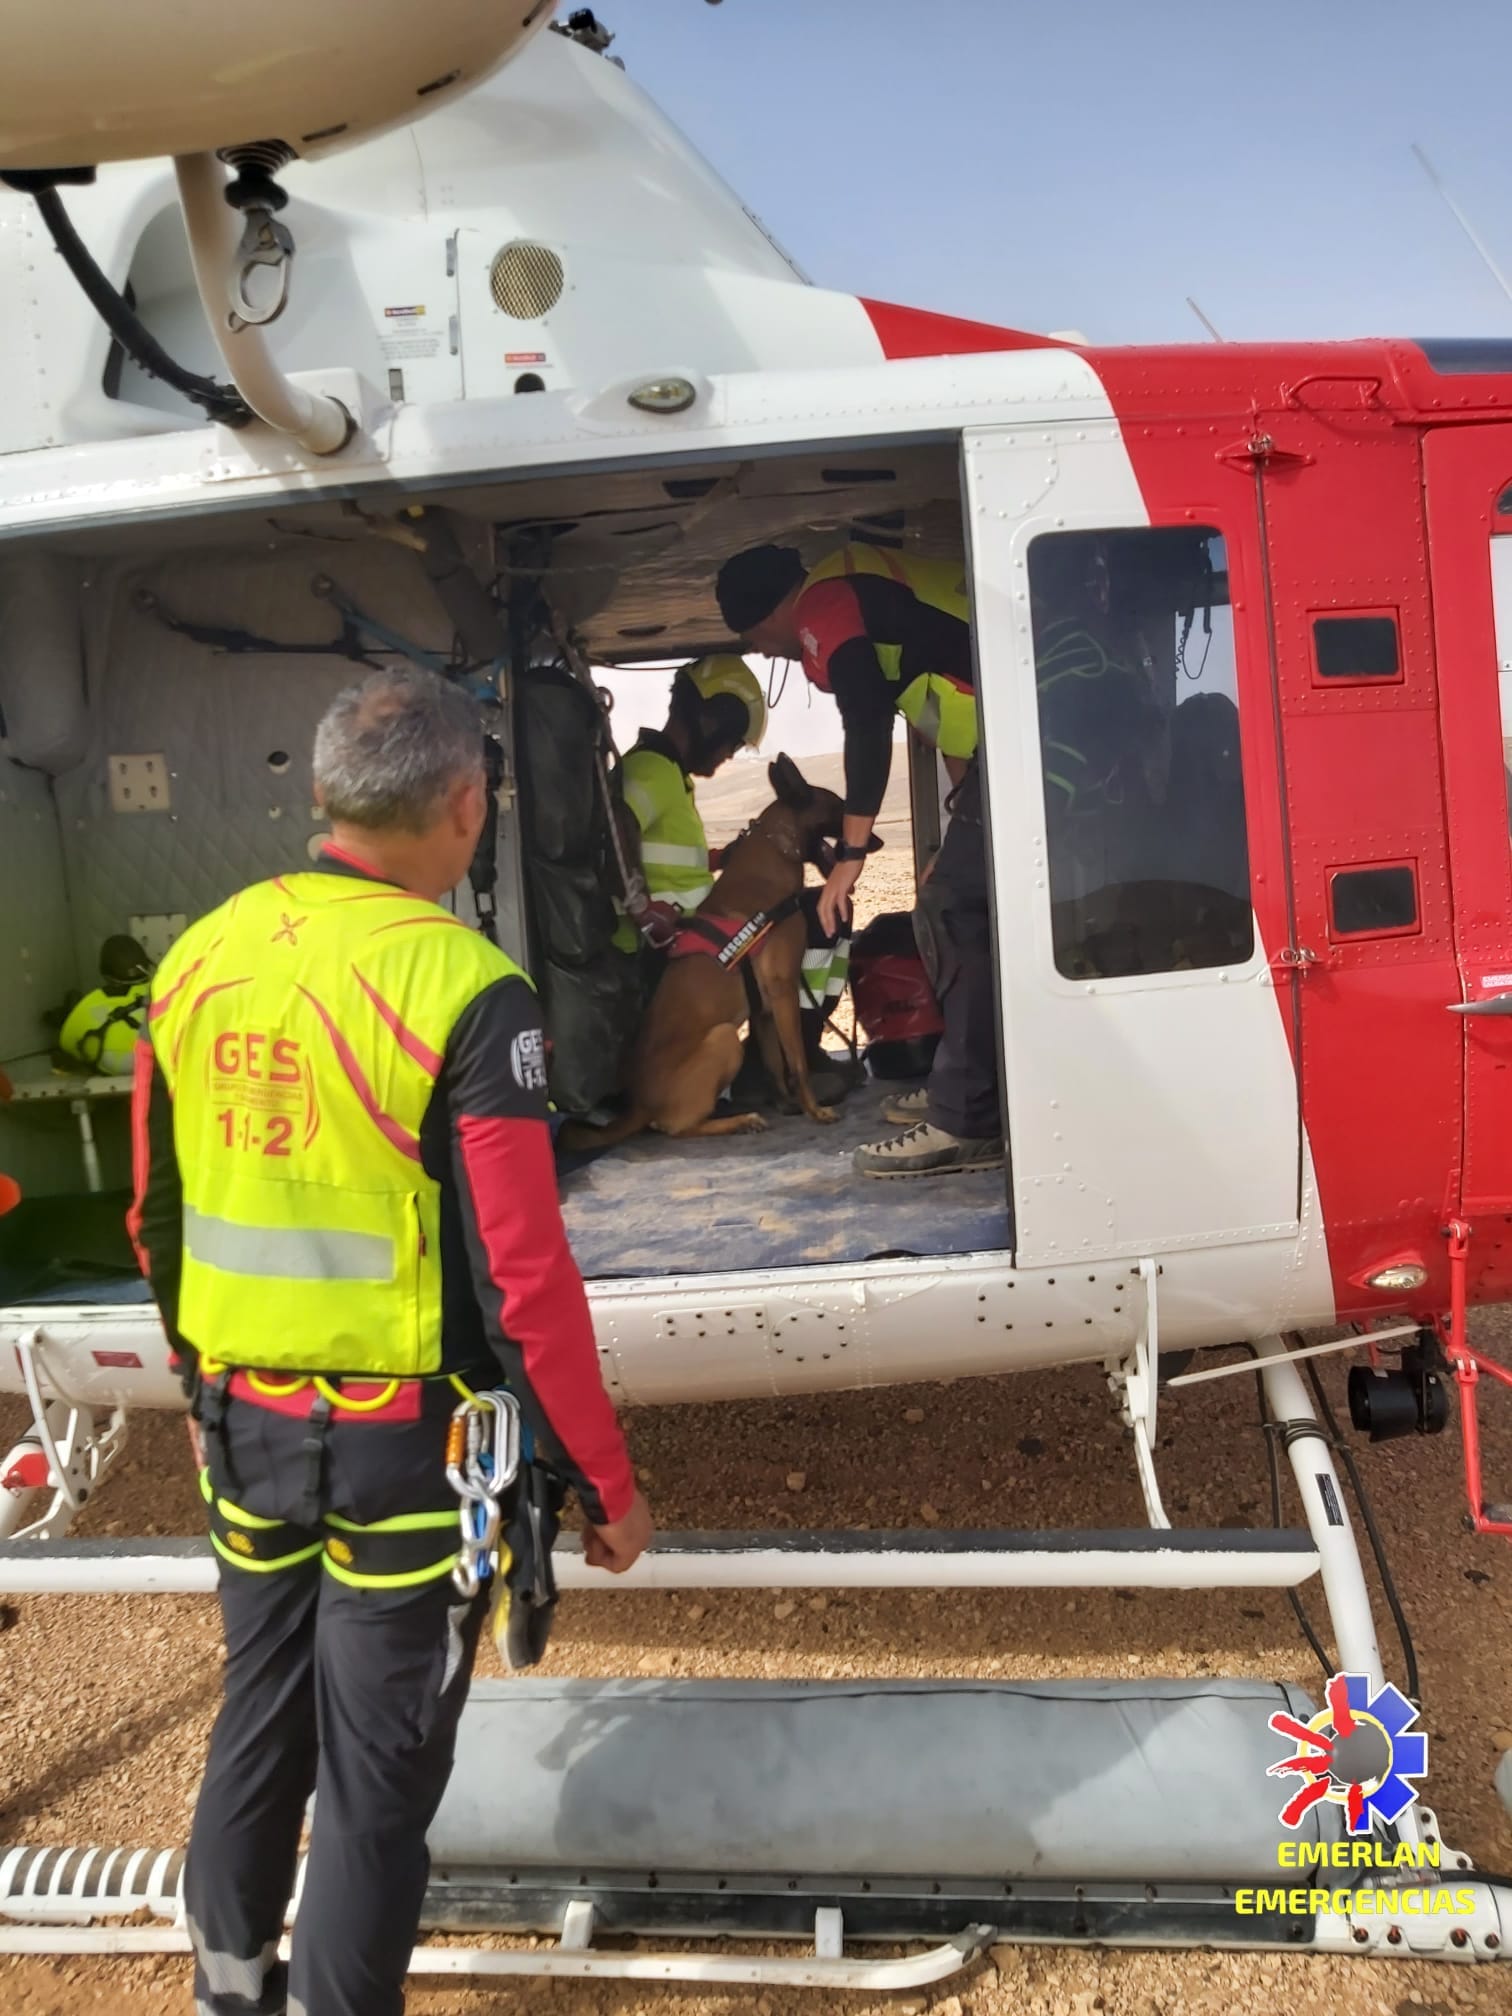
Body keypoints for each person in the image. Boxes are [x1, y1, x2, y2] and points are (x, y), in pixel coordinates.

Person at [128, 666, 651, 2016]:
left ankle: (230, 1989)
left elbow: (155, 1214)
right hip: (404, 1457)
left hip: (240, 1423)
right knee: (375, 1776)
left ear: (321, 799)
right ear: (467, 807)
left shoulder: (200, 957)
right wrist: (602, 1477)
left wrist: (199, 1381)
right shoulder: (472, 993)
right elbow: (525, 1280)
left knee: (257, 1710)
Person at [716, 540, 996, 1176]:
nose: (762, 651)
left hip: (1042, 724)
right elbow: (961, 727)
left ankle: (970, 1117)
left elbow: (865, 716)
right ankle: (976, 1088)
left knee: (954, 910)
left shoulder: (825, 601)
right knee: (954, 900)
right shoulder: (867, 592)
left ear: (766, 616)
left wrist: (848, 854)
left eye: (753, 637)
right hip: (1024, 732)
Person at [614, 654, 852, 1107]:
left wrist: (724, 858)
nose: (731, 754)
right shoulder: (651, 771)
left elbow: (666, 855)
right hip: (676, 941)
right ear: (712, 719)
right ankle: (787, 1062)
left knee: (805, 915)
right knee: (818, 918)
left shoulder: (669, 776)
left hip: (699, 929)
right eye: (733, 742)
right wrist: (641, 906)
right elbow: (620, 824)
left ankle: (781, 1063)